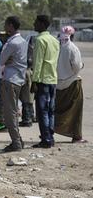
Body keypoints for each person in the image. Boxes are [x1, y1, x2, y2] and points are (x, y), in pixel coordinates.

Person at [0, 16, 28, 152]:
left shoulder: (12, 43)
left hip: (10, 79)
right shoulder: (23, 41)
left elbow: (1, 60)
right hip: (19, 80)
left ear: (11, 26)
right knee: (14, 111)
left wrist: (8, 59)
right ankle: (18, 140)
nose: (5, 28)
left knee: (10, 113)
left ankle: (16, 142)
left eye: (6, 25)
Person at [31, 15, 60, 148]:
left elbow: (37, 63)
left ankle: (46, 139)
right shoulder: (55, 40)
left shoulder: (40, 40)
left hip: (42, 80)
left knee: (42, 111)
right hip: (53, 79)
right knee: (50, 111)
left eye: (36, 22)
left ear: (42, 24)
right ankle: (50, 137)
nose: (34, 24)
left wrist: (34, 81)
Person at [55, 26, 86, 143]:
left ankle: (51, 130)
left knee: (58, 110)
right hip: (73, 83)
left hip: (58, 83)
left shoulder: (57, 47)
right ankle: (76, 136)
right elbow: (77, 67)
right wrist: (82, 65)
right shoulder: (73, 48)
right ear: (72, 36)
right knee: (76, 111)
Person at [20, 35, 36, 127]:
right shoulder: (34, 50)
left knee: (26, 98)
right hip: (31, 73)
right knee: (30, 98)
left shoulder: (28, 50)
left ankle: (27, 119)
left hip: (27, 73)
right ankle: (31, 117)